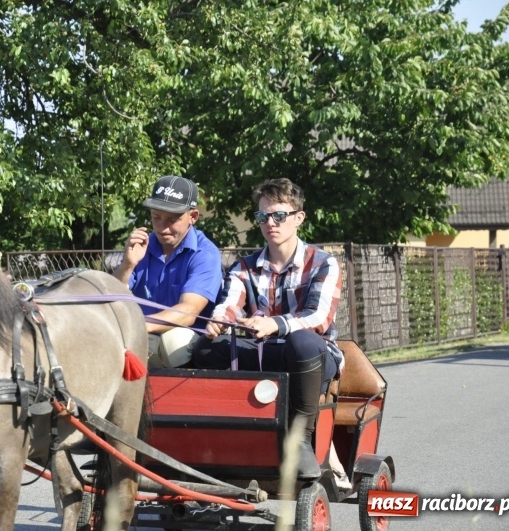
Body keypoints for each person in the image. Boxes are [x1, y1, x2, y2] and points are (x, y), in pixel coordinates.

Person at [192, 177, 343, 480]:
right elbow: (229, 304)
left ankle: (300, 439)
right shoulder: (243, 266)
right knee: (205, 349)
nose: (270, 223)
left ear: (298, 218)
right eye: (262, 216)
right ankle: (218, 438)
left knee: (301, 342)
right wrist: (219, 322)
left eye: (278, 215)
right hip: (261, 353)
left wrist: (274, 324)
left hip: (312, 357)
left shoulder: (324, 264)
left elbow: (319, 318)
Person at [113, 176, 223, 368]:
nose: (162, 227)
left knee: (175, 341)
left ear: (193, 217)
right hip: (141, 335)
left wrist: (137, 325)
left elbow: (188, 313)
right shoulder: (142, 246)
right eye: (156, 217)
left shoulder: (205, 253)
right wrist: (127, 266)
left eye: (173, 220)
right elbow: (113, 296)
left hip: (183, 344)